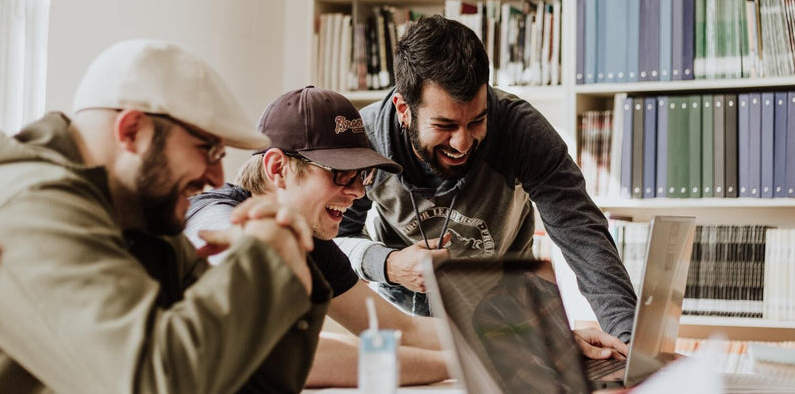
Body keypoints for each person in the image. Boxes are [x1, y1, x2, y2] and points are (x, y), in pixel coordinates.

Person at [0, 40, 329, 393]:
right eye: (207, 149)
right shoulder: (26, 209)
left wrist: (289, 261)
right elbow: (154, 382)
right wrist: (263, 260)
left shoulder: (139, 219)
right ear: (132, 130)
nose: (217, 176)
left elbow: (254, 383)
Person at [184, 86, 621, 387]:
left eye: (362, 176)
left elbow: (397, 328)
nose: (357, 193)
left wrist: (537, 340)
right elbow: (285, 354)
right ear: (277, 168)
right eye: (340, 175)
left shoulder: (311, 240)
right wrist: (487, 361)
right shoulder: (218, 221)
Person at [335, 15, 637, 351]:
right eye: (445, 125)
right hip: (406, 324)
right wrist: (388, 264)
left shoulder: (521, 130)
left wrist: (630, 345)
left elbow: (582, 233)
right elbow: (334, 242)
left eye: (477, 121)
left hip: (509, 316)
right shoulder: (365, 139)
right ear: (404, 109)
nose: (463, 143)